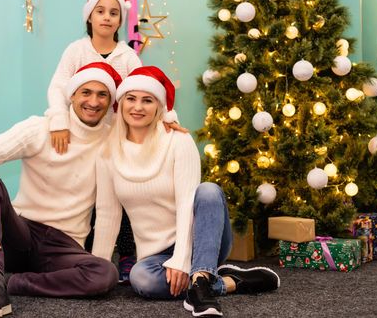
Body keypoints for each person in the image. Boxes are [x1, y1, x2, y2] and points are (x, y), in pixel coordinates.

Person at [92, 66, 280, 317]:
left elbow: (186, 203)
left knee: (209, 191)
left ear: (159, 106)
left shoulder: (178, 141)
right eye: (131, 99)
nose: (138, 107)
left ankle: (201, 280)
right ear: (121, 103)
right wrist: (98, 270)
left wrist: (181, 261)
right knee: (141, 280)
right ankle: (227, 282)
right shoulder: (108, 152)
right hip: (155, 255)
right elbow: (107, 214)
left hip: (201, 239)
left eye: (147, 100)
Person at [0, 62, 123, 318]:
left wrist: (168, 122)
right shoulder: (40, 128)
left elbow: (110, 208)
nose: (94, 101)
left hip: (63, 246)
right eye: (86, 92)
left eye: (102, 94)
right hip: (19, 234)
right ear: (72, 95)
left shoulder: (113, 138)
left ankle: (6, 282)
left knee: (105, 273)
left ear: (110, 101)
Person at [46, 0, 142, 282]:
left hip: (116, 138)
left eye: (114, 13)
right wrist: (59, 120)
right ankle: (85, 253)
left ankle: (127, 253)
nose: (107, 18)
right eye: (100, 11)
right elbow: (58, 87)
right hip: (83, 135)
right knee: (88, 192)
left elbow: (143, 89)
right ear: (90, 16)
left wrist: (168, 118)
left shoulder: (127, 56)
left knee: (122, 194)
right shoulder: (77, 51)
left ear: (120, 20)